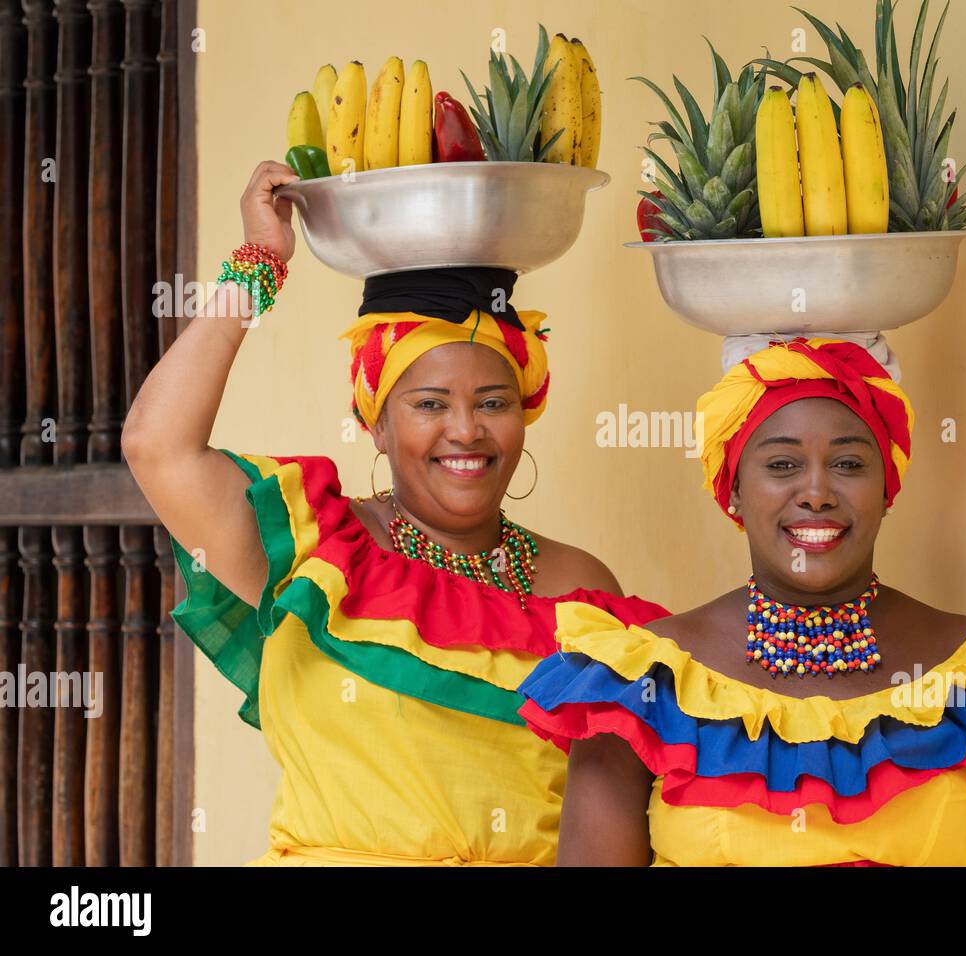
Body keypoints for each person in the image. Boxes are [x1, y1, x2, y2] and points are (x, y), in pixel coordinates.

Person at [122, 160, 666, 865]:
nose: (466, 431)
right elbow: (155, 445)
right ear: (375, 422)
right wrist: (259, 261)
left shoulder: (581, 585)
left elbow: (615, 812)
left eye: (494, 402)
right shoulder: (311, 550)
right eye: (429, 404)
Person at [518, 335, 966, 866]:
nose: (816, 493)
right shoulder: (640, 680)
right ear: (735, 489)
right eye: (782, 465)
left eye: (848, 464)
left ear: (887, 487)